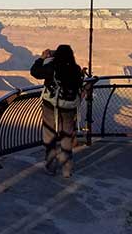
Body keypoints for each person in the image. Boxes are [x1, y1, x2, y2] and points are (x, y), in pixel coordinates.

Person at [30, 44, 84, 178]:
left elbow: (35, 72)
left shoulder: (53, 67)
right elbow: (79, 85)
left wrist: (42, 58)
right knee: (66, 137)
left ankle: (50, 166)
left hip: (51, 106)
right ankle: (67, 169)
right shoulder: (76, 69)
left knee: (50, 137)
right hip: (70, 107)